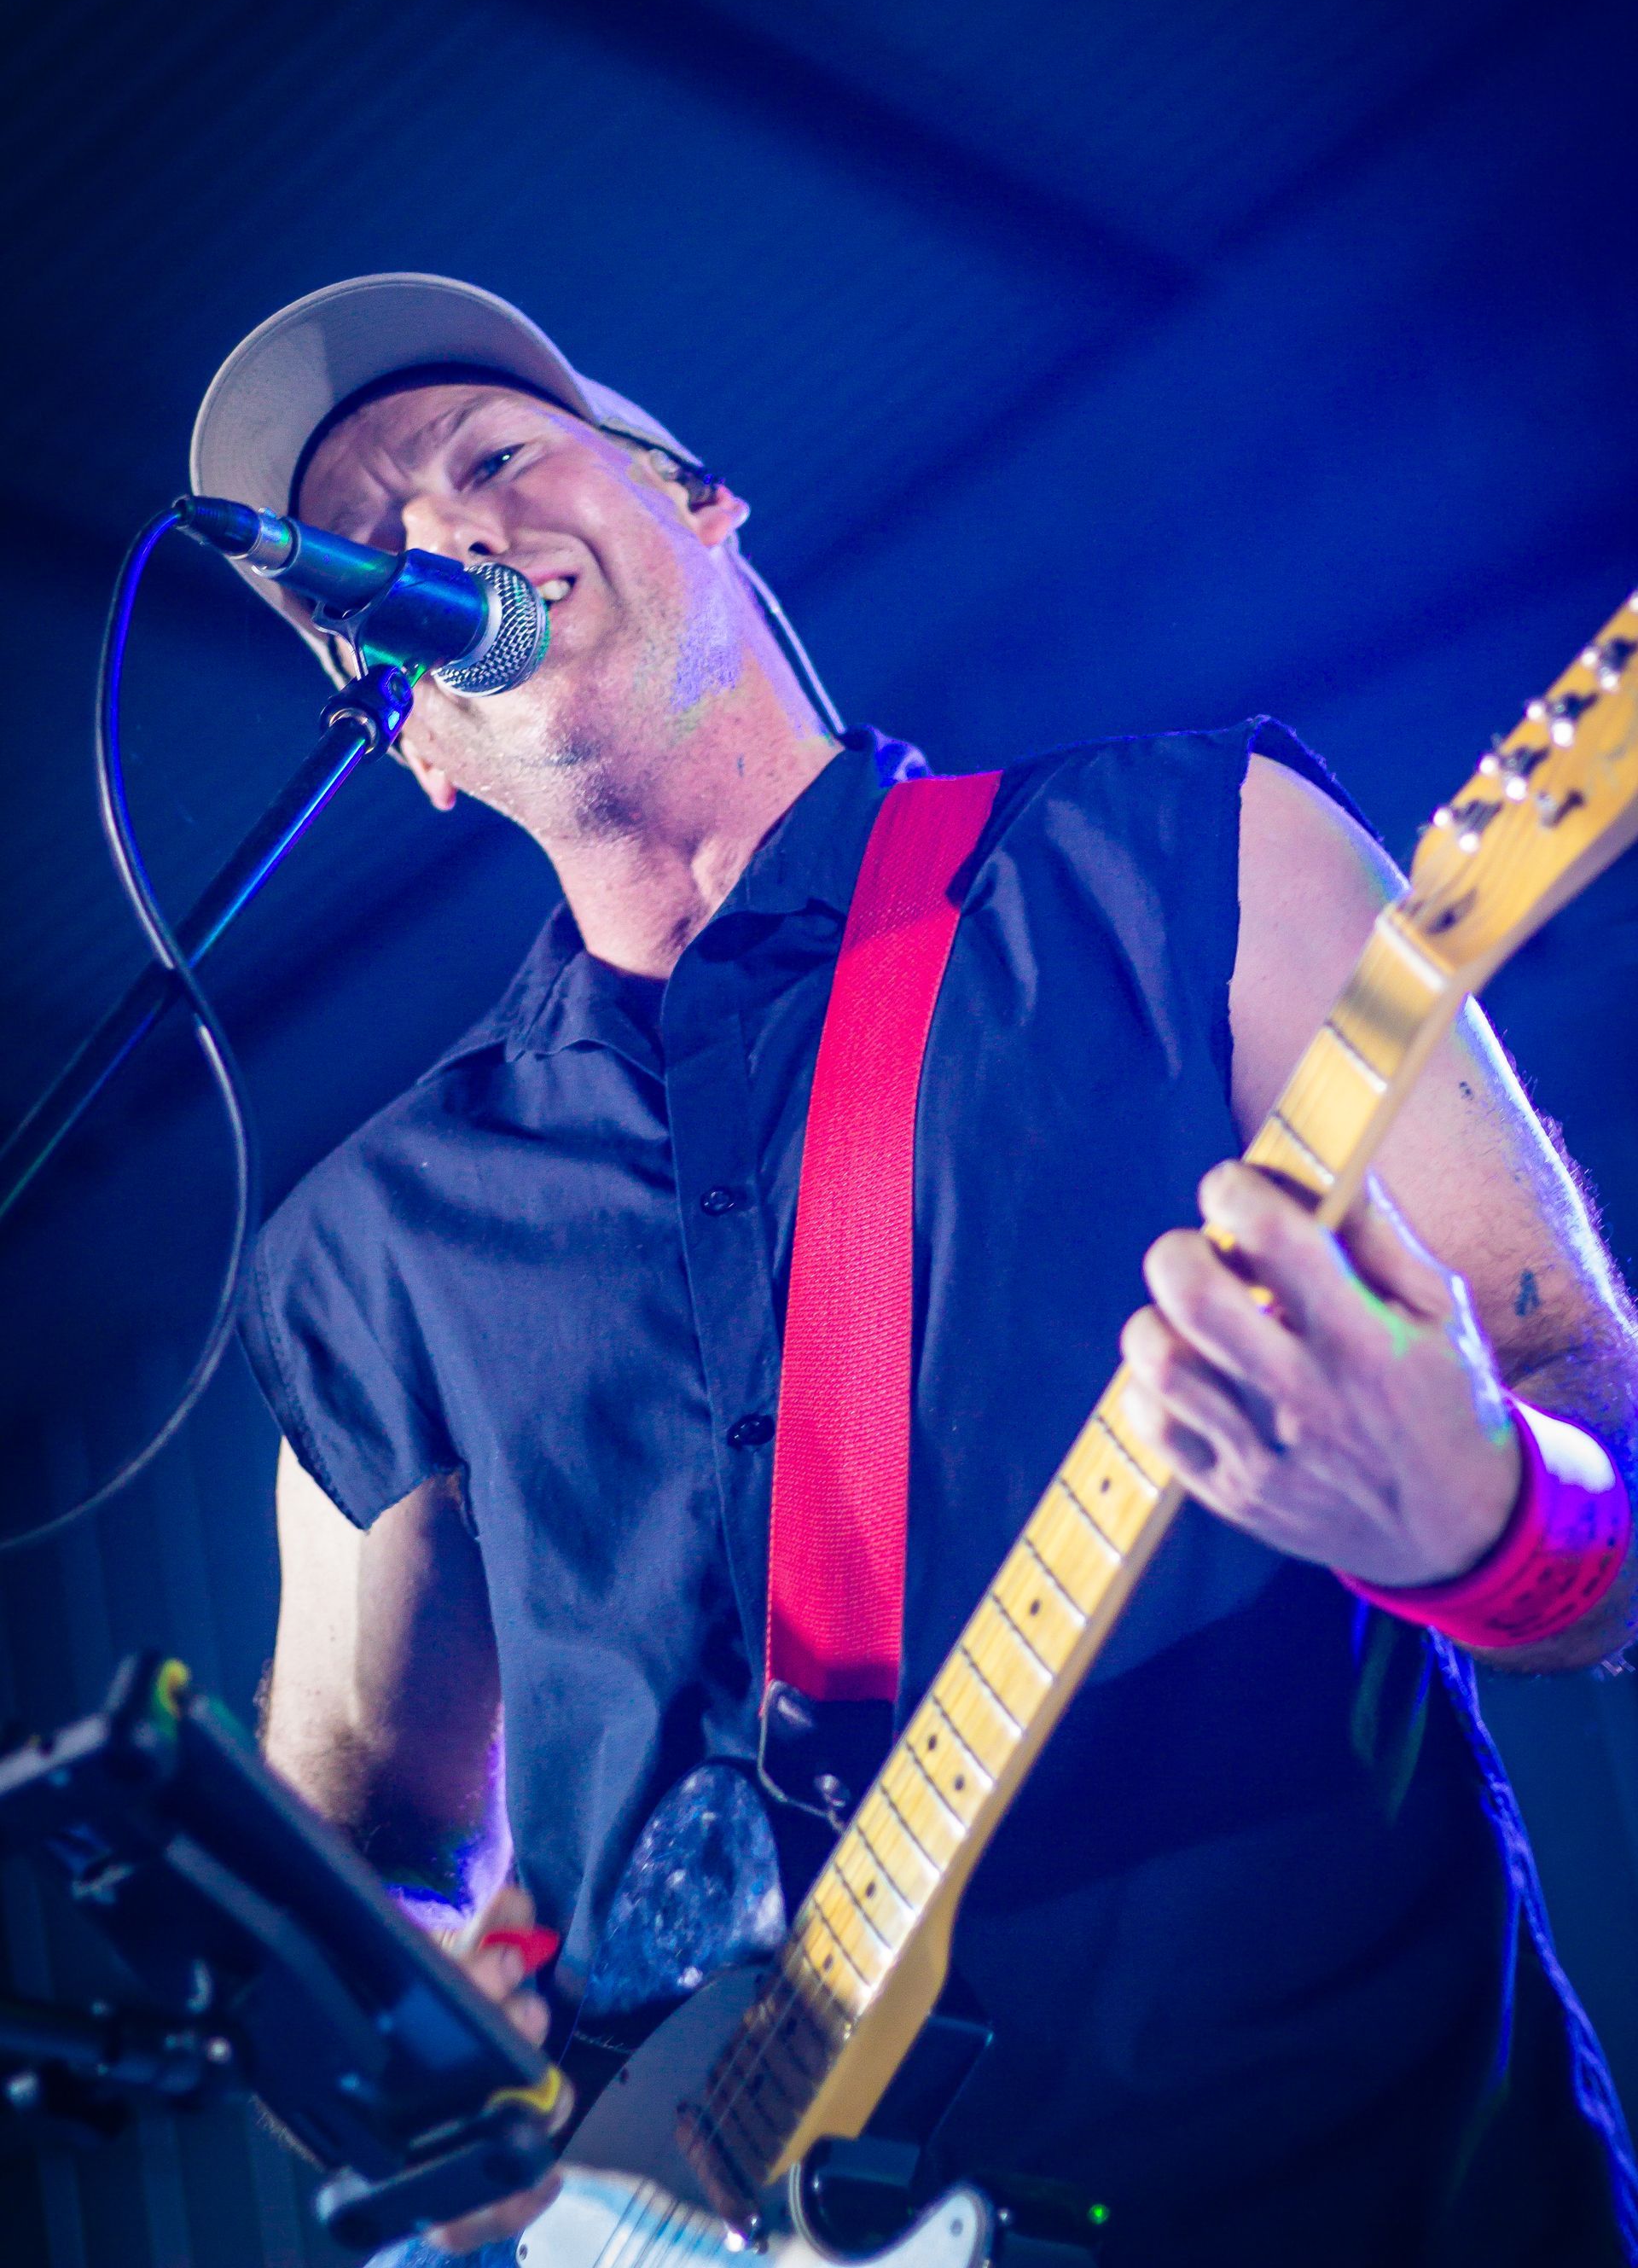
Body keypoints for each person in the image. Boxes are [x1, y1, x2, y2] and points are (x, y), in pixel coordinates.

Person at [193, 273, 1638, 2265]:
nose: (439, 536)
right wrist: (436, 2113)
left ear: (703, 506)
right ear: (412, 740)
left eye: (496, 456)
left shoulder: (1193, 858)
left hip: (1355, 2195)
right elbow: (355, 1836)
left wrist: (1476, 1508)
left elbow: (1613, 1487)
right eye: (369, 557)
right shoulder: (373, 1239)